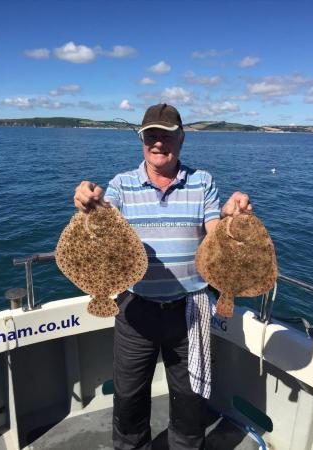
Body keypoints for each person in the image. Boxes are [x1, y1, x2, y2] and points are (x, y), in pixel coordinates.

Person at [74, 103, 252, 450]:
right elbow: (102, 220)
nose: (159, 143)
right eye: (151, 135)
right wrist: (88, 202)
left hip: (189, 309)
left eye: (167, 135)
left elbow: (215, 237)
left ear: (181, 139)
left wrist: (232, 218)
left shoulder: (203, 183)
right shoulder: (121, 185)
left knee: (189, 398)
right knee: (128, 395)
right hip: (134, 307)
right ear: (141, 140)